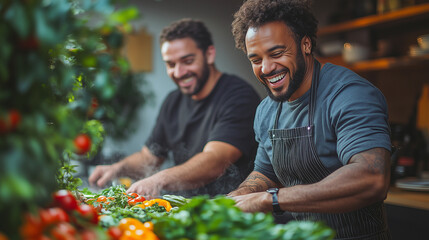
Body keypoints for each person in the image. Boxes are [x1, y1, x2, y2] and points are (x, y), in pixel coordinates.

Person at [228, 0, 392, 239]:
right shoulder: (266, 110)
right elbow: (266, 173)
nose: (266, 68)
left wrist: (268, 200)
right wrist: (236, 198)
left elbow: (372, 178)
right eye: (256, 60)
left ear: (305, 44)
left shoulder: (348, 94)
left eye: (276, 53)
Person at [89, 18, 261, 198]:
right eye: (171, 64)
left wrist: (158, 179)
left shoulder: (239, 96)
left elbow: (215, 161)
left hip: (229, 211)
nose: (178, 73)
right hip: (185, 210)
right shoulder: (173, 101)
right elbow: (149, 158)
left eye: (187, 61)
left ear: (209, 54)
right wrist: (117, 168)